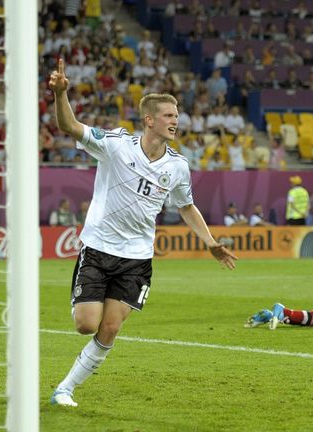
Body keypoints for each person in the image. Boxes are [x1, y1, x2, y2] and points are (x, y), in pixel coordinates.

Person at [47, 59, 237, 407]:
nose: (175, 120)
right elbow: (70, 126)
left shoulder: (177, 166)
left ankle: (65, 388)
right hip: (98, 248)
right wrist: (61, 94)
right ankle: (81, 313)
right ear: (149, 119)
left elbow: (186, 207)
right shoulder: (116, 144)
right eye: (167, 115)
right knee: (86, 325)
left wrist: (210, 242)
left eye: (176, 115)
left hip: (137, 258)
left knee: (111, 328)